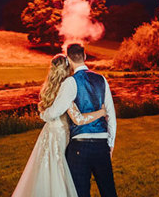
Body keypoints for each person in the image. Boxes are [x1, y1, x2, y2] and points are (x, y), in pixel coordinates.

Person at [11, 53, 107, 197]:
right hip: (61, 134)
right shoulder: (67, 88)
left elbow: (45, 113)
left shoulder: (49, 88)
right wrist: (101, 112)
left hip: (48, 133)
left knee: (44, 171)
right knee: (59, 171)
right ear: (68, 68)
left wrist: (44, 115)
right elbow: (78, 119)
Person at [40, 43, 118, 197]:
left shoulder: (70, 83)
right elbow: (111, 115)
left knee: (80, 193)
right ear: (85, 56)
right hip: (102, 144)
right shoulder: (101, 79)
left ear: (68, 60)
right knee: (109, 192)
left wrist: (43, 114)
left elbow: (54, 112)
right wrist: (110, 144)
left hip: (79, 148)